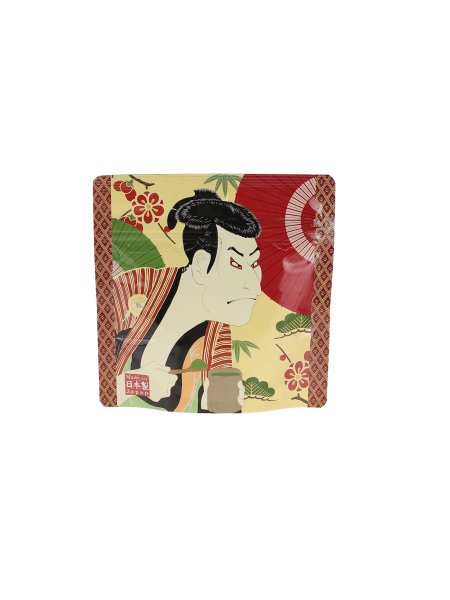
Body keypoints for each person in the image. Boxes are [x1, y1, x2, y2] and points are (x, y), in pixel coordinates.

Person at [114, 188, 262, 412]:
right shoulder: (136, 286)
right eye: (235, 263)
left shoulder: (217, 332)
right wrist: (136, 382)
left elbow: (211, 413)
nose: (255, 286)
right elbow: (95, 385)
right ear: (201, 264)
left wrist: (218, 406)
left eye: (255, 263)